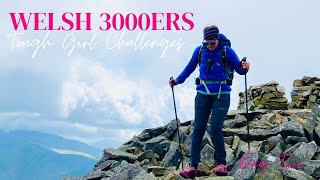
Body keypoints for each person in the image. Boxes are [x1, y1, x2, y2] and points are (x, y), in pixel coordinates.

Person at [169, 25, 250, 178]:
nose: (209, 46)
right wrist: (177, 81)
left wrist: (245, 67)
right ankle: (192, 167)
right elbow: (190, 67)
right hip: (202, 94)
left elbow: (240, 70)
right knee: (198, 129)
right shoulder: (199, 51)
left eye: (212, 43)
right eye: (206, 43)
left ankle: (221, 164)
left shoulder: (227, 51)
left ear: (217, 40)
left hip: (222, 94)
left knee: (215, 129)